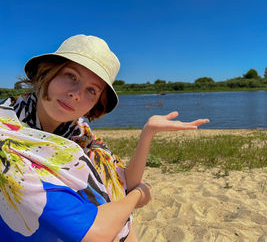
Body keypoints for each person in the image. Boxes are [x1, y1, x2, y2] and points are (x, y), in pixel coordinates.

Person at [0, 34, 209, 241]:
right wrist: (136, 197)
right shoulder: (7, 141)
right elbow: (95, 233)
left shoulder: (78, 133)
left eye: (91, 90)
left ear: (96, 103)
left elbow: (124, 180)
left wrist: (148, 133)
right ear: (46, 73)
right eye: (71, 76)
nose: (76, 94)